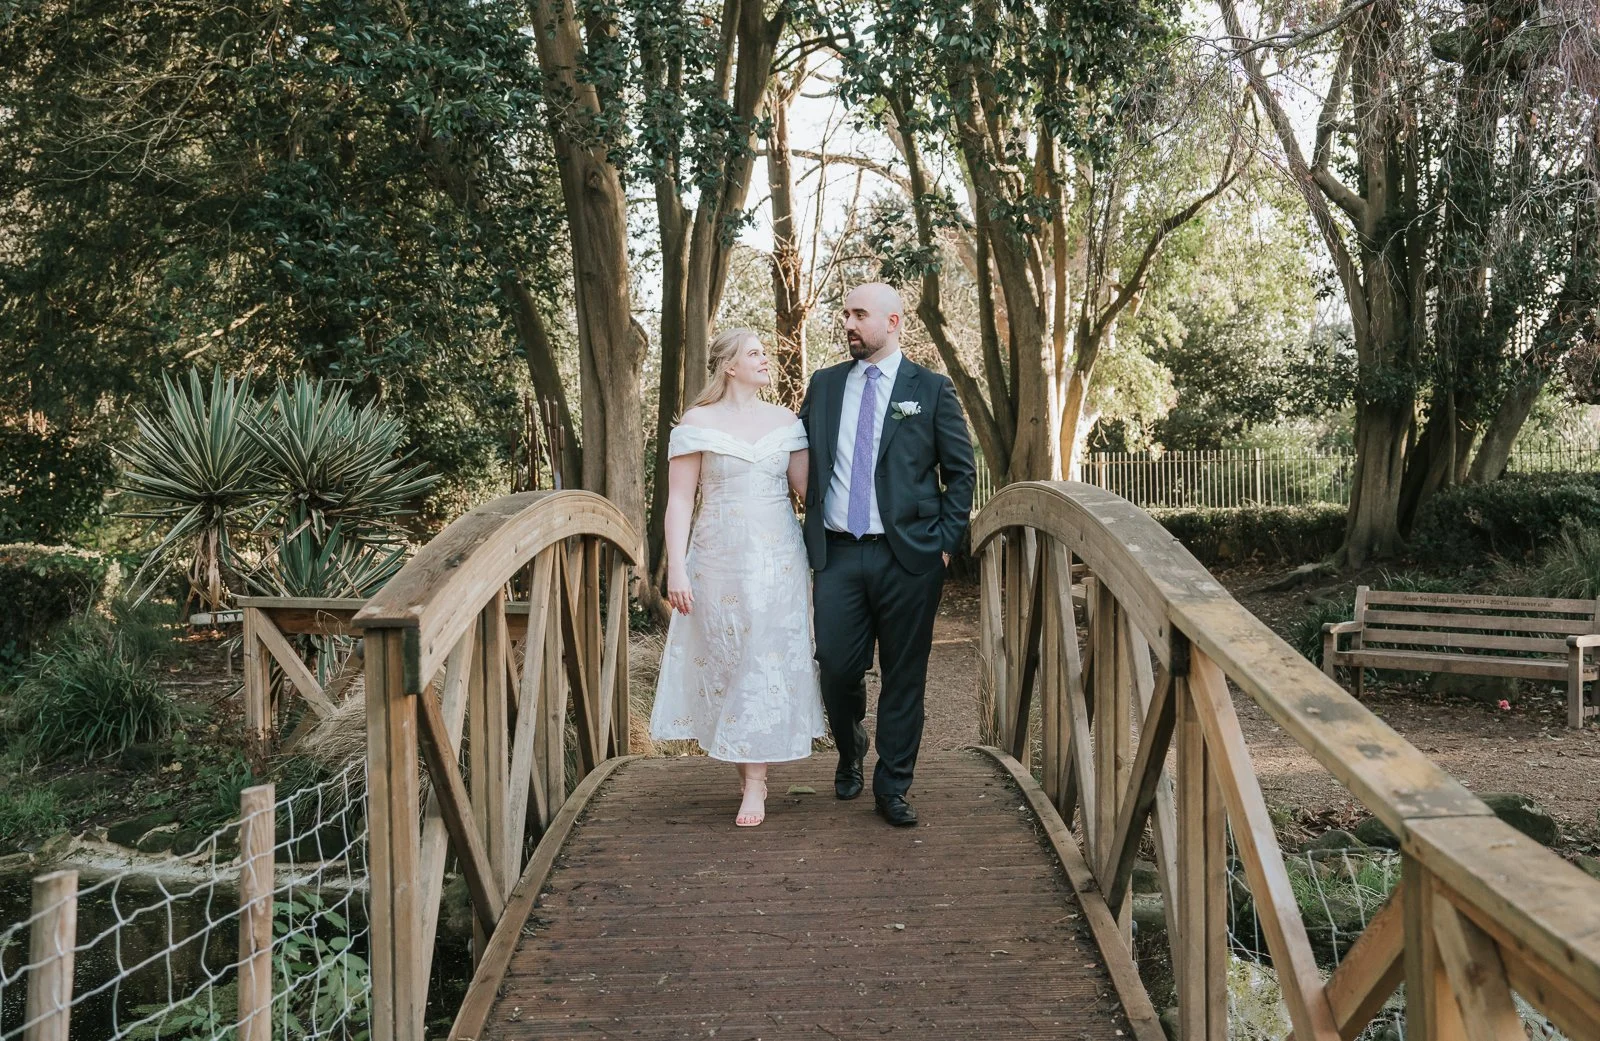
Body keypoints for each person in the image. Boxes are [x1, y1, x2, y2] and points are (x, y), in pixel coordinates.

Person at [798, 283, 976, 827]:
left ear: (894, 322)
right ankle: (851, 748)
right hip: (839, 554)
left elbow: (961, 473)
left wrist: (944, 544)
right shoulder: (824, 386)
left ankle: (892, 786)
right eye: (845, 313)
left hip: (909, 557)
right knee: (835, 663)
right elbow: (793, 454)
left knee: (904, 674)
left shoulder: (932, 388)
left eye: (860, 315)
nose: (849, 323)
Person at [649, 328, 827, 827]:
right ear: (729, 366)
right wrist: (677, 567)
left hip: (777, 561)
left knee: (761, 659)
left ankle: (756, 783)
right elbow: (681, 499)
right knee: (727, 660)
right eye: (755, 353)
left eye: (764, 353)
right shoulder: (697, 422)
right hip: (717, 558)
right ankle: (745, 763)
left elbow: (808, 493)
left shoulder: (787, 421)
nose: (765, 359)